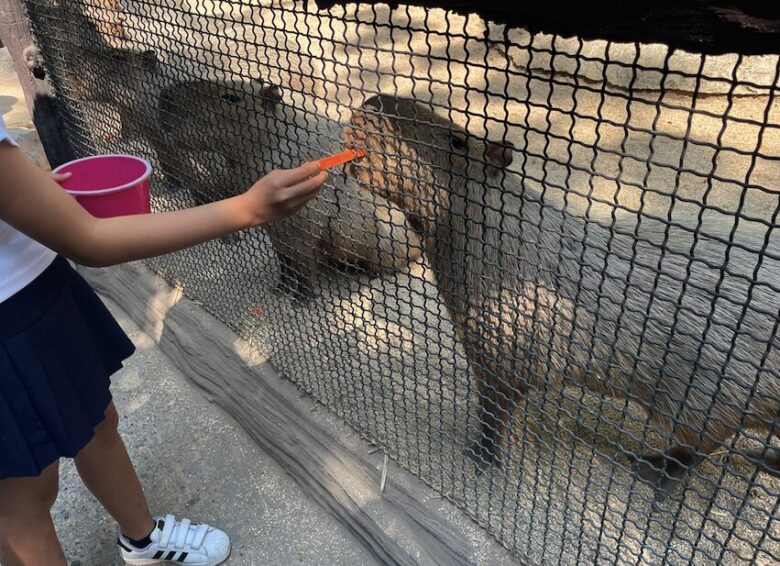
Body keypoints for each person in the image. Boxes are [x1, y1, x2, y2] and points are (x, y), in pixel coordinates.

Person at [0, 114, 327, 566]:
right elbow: (89, 240)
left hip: (40, 290)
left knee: (97, 421)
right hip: (7, 325)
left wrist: (36, 188)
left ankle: (142, 540)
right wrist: (247, 209)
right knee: (24, 497)